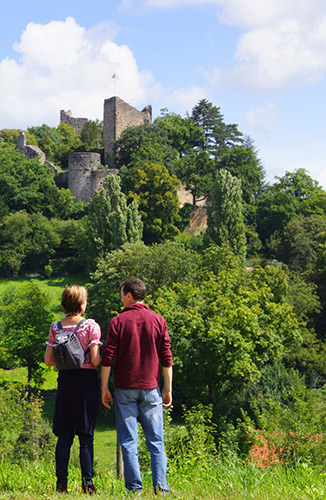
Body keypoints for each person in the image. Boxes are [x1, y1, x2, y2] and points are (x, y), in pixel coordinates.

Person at [101, 277, 173, 495]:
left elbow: (107, 358)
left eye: (121, 294)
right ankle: (161, 488)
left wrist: (104, 387)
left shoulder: (118, 322)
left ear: (129, 295)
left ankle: (135, 490)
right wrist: (167, 389)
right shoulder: (158, 320)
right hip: (151, 388)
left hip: (125, 388)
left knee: (129, 441)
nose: (120, 298)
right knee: (156, 441)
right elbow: (166, 357)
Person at [45, 285, 102, 494]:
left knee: (65, 436)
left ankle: (61, 484)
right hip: (86, 383)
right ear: (81, 304)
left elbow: (48, 361)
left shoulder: (56, 327)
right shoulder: (91, 326)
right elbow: (95, 360)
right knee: (85, 435)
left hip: (65, 383)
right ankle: (88, 484)